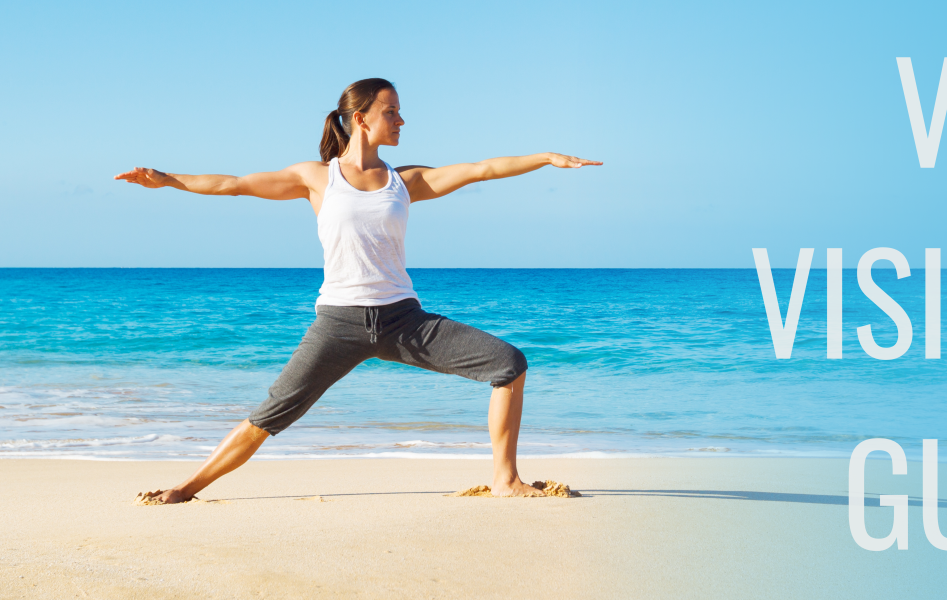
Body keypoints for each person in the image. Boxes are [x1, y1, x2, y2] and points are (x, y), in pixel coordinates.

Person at [115, 77, 601, 501]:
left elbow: (481, 169)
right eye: (391, 111)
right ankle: (184, 488)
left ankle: (505, 480)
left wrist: (544, 158)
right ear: (359, 118)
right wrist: (169, 180)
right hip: (339, 323)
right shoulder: (316, 177)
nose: (402, 120)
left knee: (508, 365)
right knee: (271, 414)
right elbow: (234, 184)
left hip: (404, 320)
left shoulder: (404, 181)